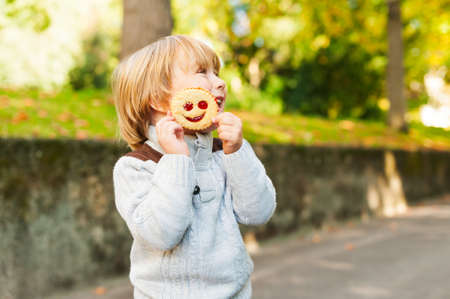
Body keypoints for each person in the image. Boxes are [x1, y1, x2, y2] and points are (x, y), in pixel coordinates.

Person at [111, 35, 276, 299]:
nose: (220, 82)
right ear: (158, 97)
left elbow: (258, 212)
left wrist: (238, 151)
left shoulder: (223, 155)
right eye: (202, 72)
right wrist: (177, 161)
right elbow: (161, 235)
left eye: (217, 73)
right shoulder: (135, 167)